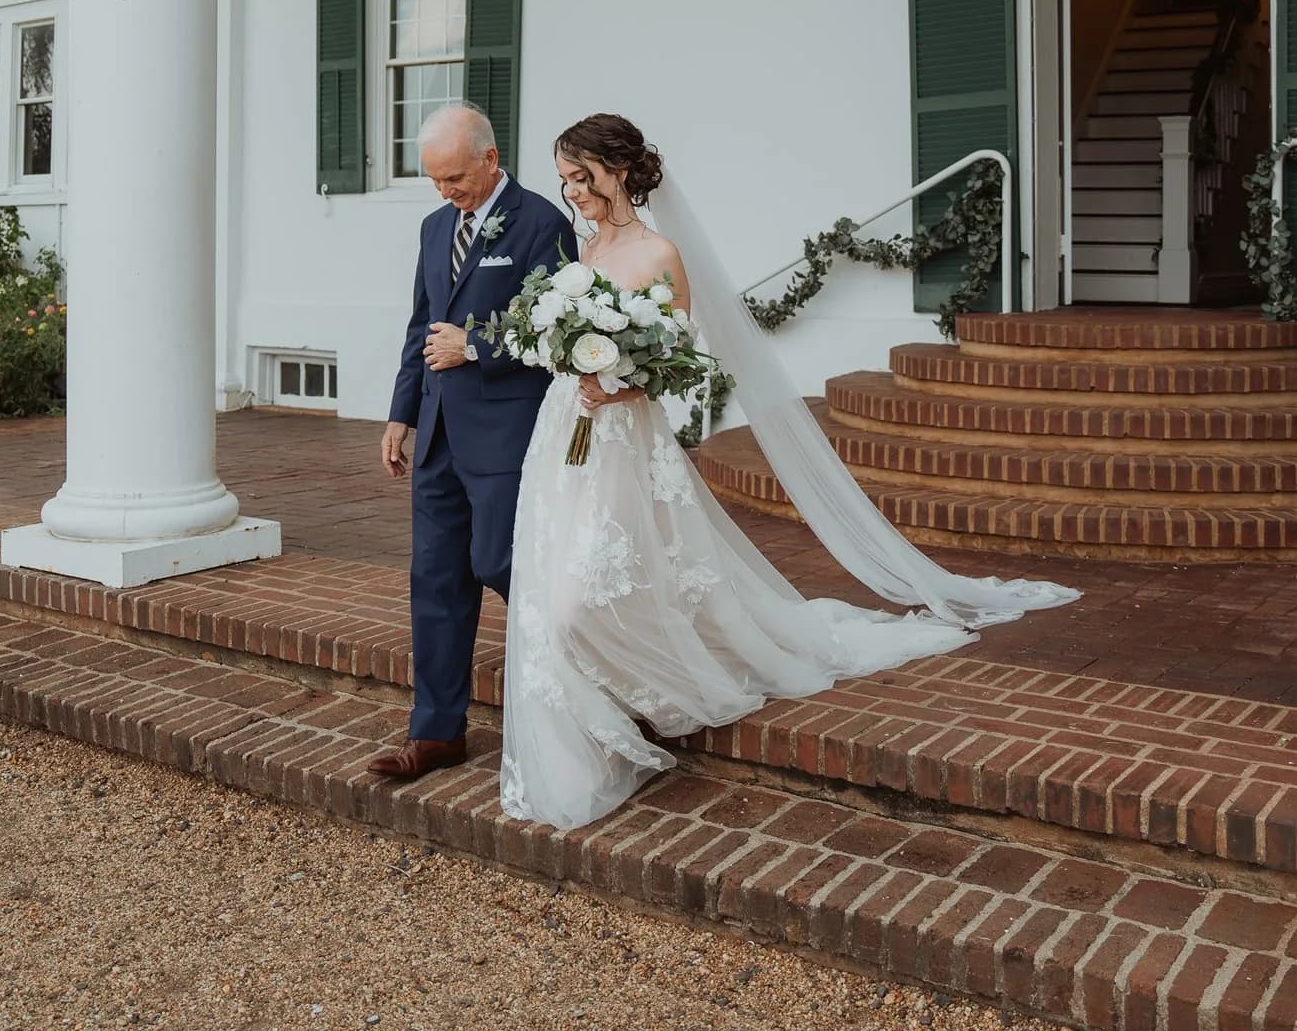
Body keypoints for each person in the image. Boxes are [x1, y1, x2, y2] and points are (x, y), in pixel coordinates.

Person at [498, 113, 1079, 833]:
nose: (571, 191)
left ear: (617, 171)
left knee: (583, 591)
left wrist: (618, 383)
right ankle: (585, 727)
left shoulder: (659, 254)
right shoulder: (586, 247)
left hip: (621, 436)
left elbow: (673, 361)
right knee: (558, 575)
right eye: (564, 178)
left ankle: (649, 681)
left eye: (580, 176)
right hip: (567, 430)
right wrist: (564, 358)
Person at [368, 104, 576, 782]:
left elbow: (560, 334)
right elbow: (420, 327)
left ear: (489, 158)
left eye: (454, 177)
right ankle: (435, 732)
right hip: (436, 438)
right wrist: (400, 414)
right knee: (434, 582)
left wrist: (478, 346)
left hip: (506, 437)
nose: (444, 192)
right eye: (434, 180)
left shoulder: (543, 223)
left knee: (503, 565)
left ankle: (570, 702)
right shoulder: (434, 228)